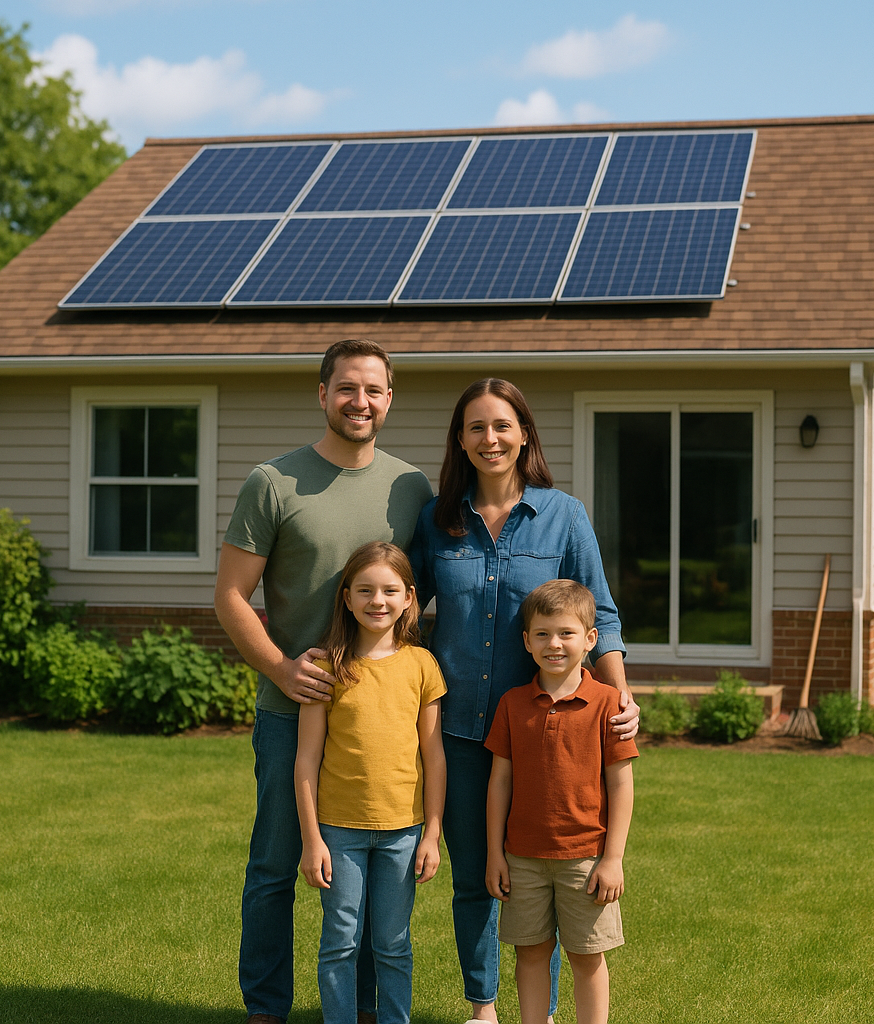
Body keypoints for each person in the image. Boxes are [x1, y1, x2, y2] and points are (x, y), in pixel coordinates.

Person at [215, 340, 434, 1024]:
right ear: (322, 393)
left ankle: (365, 1009)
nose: (360, 401)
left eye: (373, 389)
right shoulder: (273, 483)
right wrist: (282, 668)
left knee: (371, 880)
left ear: (390, 399)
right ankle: (266, 1008)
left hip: (384, 723)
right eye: (346, 388)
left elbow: (419, 599)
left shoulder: (412, 488)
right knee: (276, 867)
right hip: (293, 711)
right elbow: (229, 595)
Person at [409, 378, 639, 1023]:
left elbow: (605, 615)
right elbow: (403, 610)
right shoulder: (437, 520)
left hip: (545, 733)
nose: (491, 439)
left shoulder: (563, 514)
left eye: (503, 426)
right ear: (461, 439)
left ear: (524, 434)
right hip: (457, 731)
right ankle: (484, 1008)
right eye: (477, 427)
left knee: (555, 866)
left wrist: (618, 698)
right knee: (477, 877)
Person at [295, 541, 446, 1024]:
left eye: (389, 590)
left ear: (408, 598)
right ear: (346, 597)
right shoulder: (325, 666)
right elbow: (306, 760)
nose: (377, 600)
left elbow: (434, 755)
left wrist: (433, 834)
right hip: (338, 831)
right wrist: (311, 839)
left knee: (393, 944)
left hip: (404, 830)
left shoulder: (422, 665)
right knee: (340, 941)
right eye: (365, 590)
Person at [484, 580, 637, 1024]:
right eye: (544, 634)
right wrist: (496, 853)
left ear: (590, 639)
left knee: (587, 958)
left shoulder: (609, 704)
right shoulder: (512, 704)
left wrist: (613, 859)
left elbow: (622, 786)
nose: (555, 644)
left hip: (586, 859)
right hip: (523, 858)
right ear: (527, 641)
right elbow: (500, 783)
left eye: (567, 633)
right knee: (530, 954)